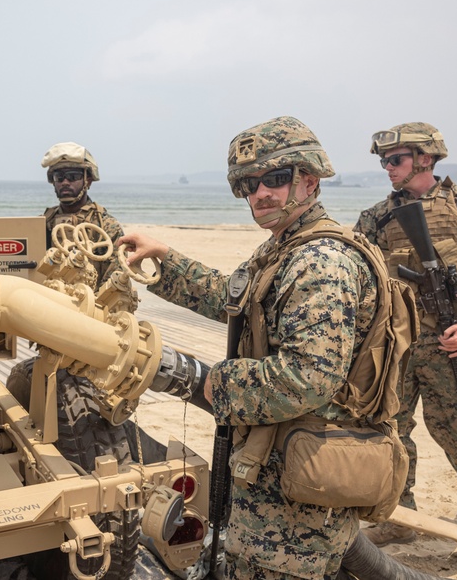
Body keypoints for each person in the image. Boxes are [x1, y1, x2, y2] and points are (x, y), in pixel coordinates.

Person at [118, 116, 404, 579]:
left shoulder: (319, 261)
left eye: (274, 179)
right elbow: (236, 299)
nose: (260, 194)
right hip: (281, 469)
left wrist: (217, 383)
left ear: (309, 180)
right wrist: (165, 261)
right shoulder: (286, 248)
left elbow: (307, 378)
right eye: (249, 185)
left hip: (298, 493)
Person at [354, 122, 457, 545]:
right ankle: (400, 514)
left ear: (425, 158)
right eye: (384, 161)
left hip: (450, 342)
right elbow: (361, 277)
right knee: (391, 429)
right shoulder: (375, 217)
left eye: (395, 160)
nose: (387, 168)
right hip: (397, 345)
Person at [41, 141, 124, 290]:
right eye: (59, 177)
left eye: (73, 176)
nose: (65, 182)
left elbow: (114, 281)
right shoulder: (43, 223)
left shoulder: (105, 225)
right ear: (53, 182)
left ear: (88, 180)